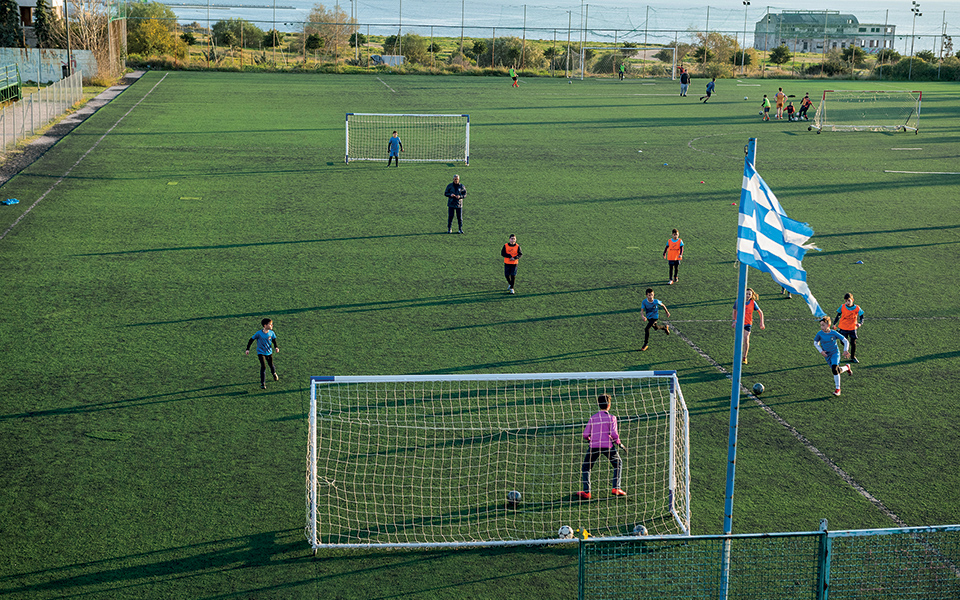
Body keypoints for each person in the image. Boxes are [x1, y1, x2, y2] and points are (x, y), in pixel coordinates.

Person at [577, 394, 627, 500]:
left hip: (594, 446)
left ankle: (587, 492)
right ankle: (616, 488)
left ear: (599, 404)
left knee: (586, 467)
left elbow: (585, 434)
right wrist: (618, 443)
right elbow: (613, 434)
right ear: (609, 405)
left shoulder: (593, 417)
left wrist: (590, 439)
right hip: (607, 446)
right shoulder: (612, 418)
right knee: (618, 464)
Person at [814, 316, 853, 397]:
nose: (822, 327)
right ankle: (846, 367)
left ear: (828, 325)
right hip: (827, 355)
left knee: (835, 370)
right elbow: (815, 343)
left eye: (823, 325)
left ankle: (837, 389)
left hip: (835, 353)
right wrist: (821, 351)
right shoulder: (819, 334)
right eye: (821, 325)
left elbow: (845, 341)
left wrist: (846, 350)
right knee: (836, 370)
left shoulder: (834, 333)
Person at [732, 288, 764, 364]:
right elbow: (734, 311)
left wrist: (761, 323)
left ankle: (744, 357)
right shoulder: (738, 301)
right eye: (746, 294)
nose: (748, 295)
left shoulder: (753, 303)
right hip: (739, 323)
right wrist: (734, 321)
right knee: (739, 340)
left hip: (748, 323)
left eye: (749, 294)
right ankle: (737, 356)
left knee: (746, 339)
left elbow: (760, 312)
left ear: (751, 295)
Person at [245, 318, 279, 389]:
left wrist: (276, 347)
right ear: (265, 325)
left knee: (271, 365)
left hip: (269, 352)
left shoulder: (271, 333)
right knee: (263, 366)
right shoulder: (259, 333)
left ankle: (274, 373)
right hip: (261, 352)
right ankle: (263, 383)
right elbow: (251, 340)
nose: (272, 325)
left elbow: (274, 340)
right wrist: (247, 349)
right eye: (270, 324)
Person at [834, 293, 864, 363]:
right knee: (843, 342)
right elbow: (838, 315)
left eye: (849, 301)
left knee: (853, 343)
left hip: (852, 328)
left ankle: (853, 357)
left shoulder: (857, 308)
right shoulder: (842, 307)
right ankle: (839, 332)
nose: (847, 302)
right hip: (843, 327)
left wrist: (860, 323)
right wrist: (834, 323)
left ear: (852, 300)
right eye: (846, 301)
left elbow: (861, 316)